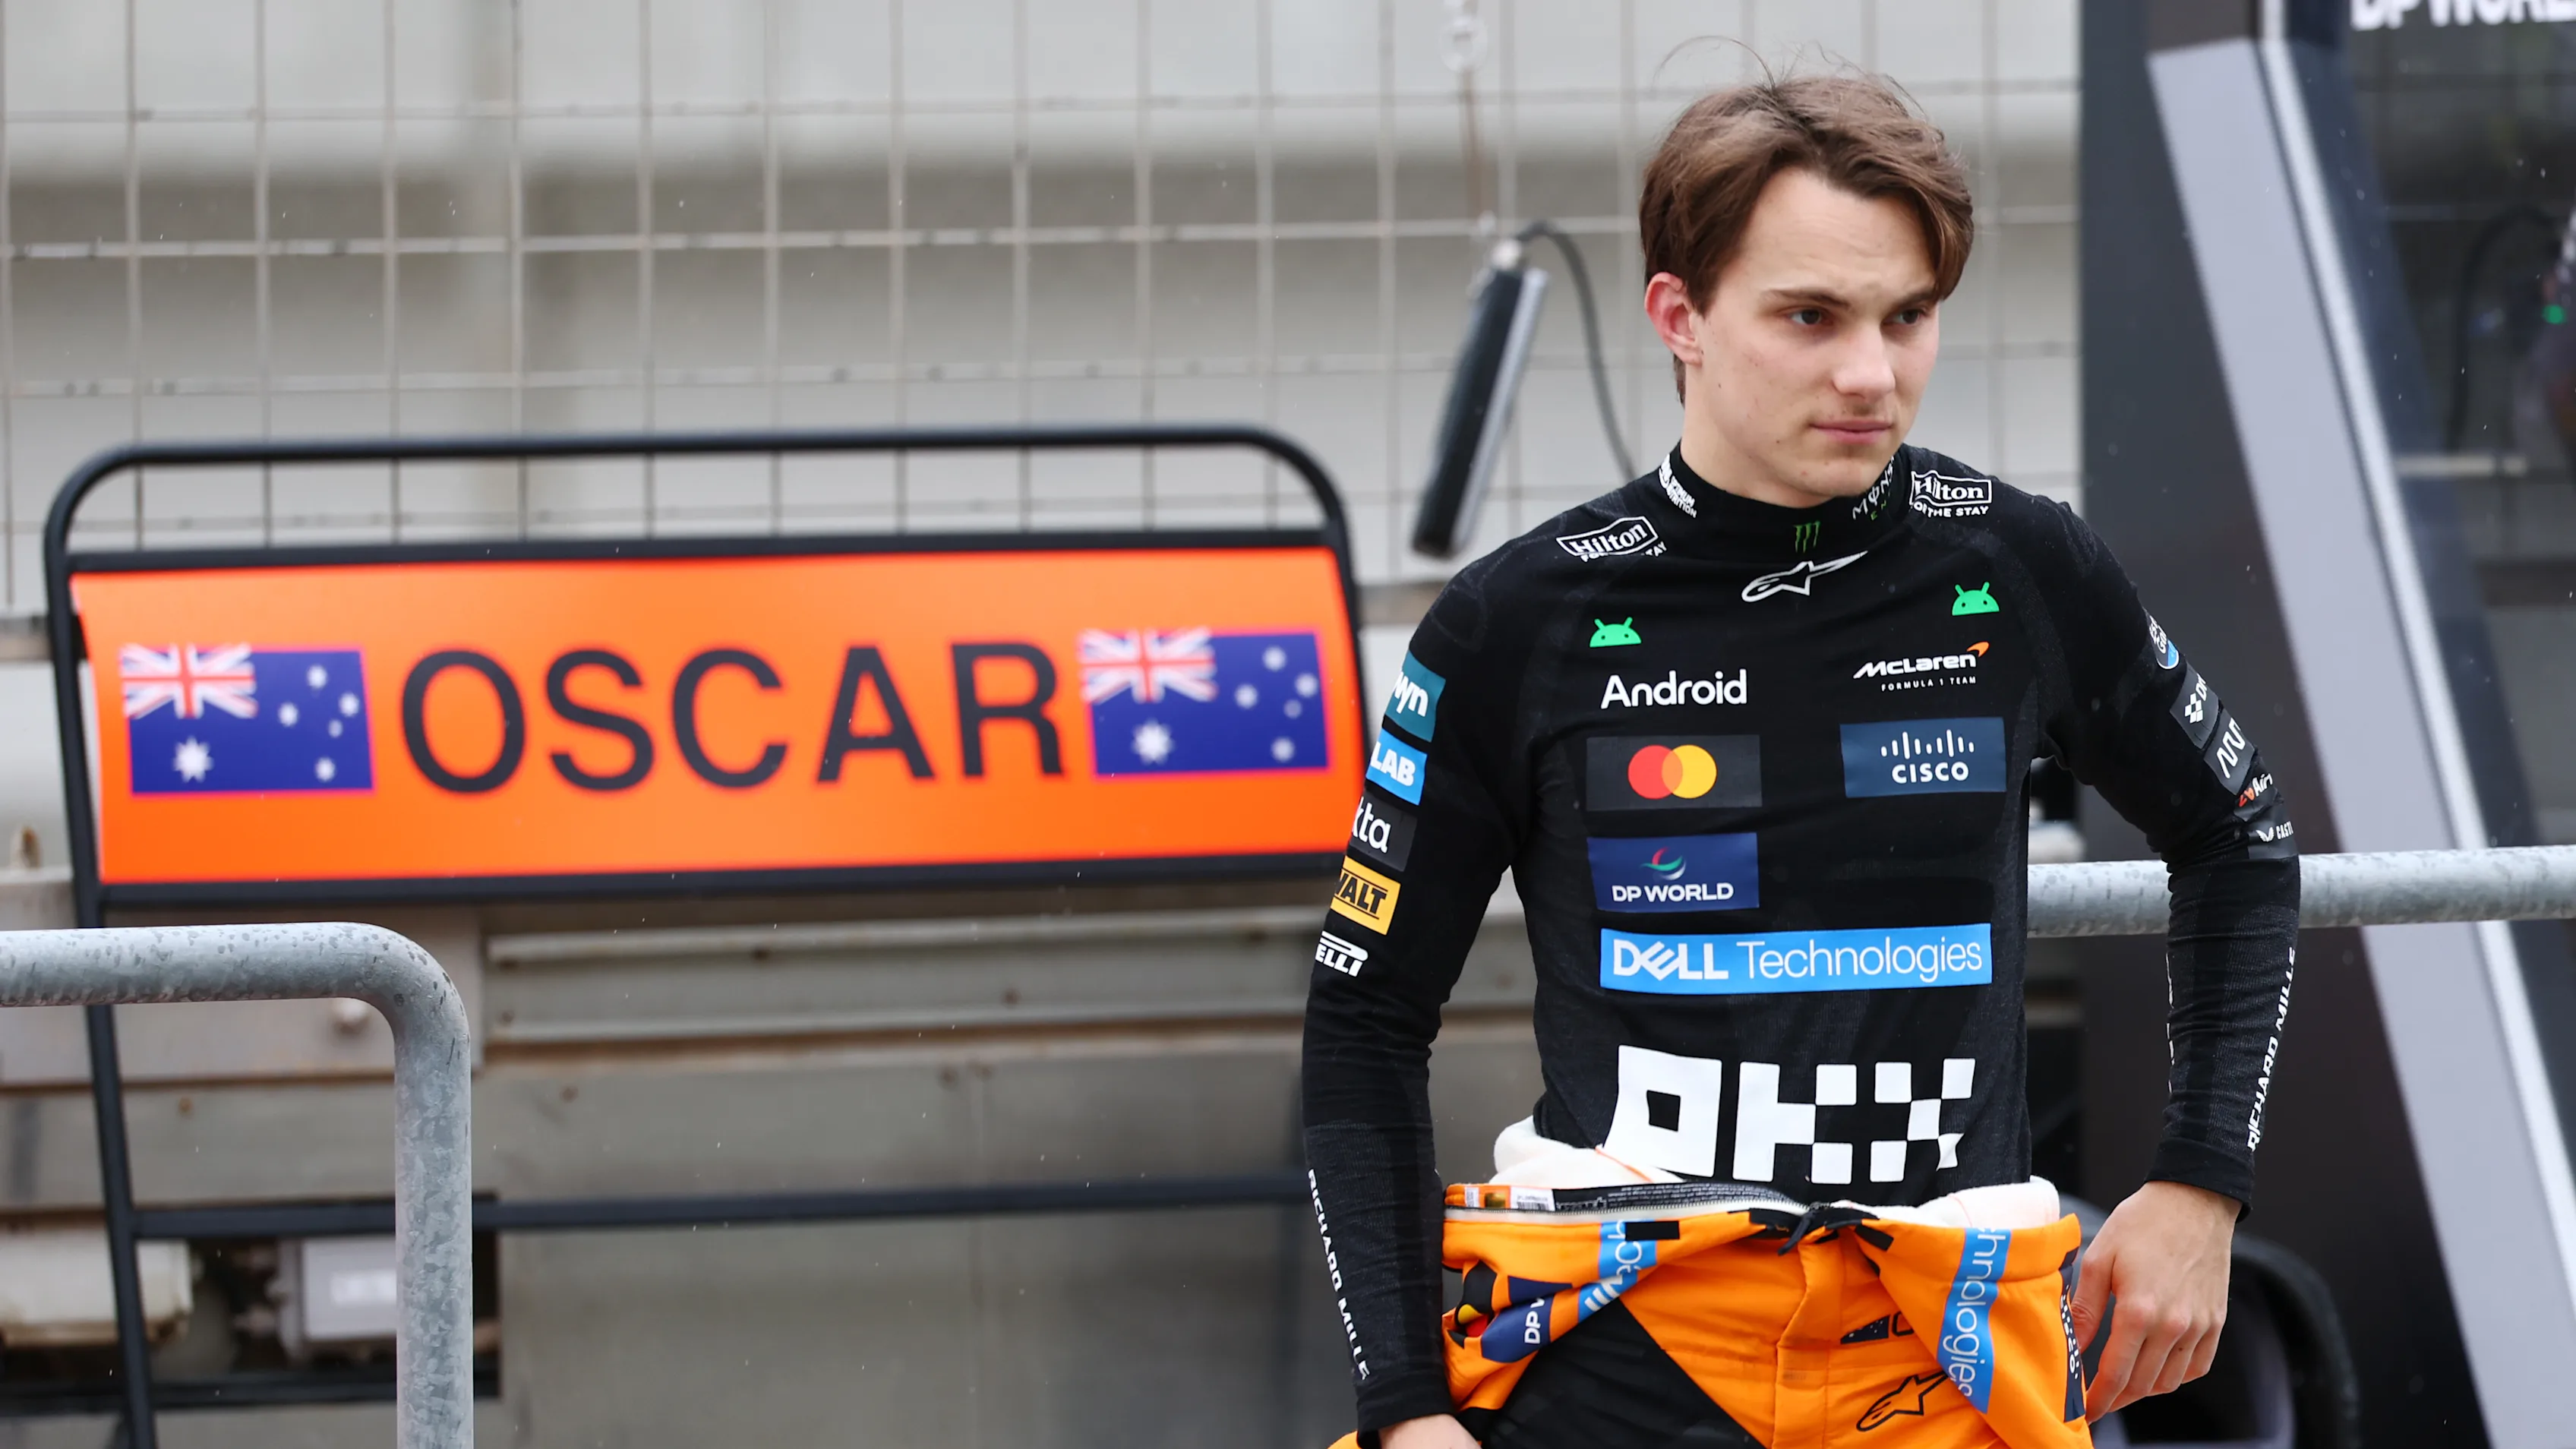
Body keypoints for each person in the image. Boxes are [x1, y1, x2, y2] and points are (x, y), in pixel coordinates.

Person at [1301, 73, 2298, 1449]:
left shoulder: (2021, 566)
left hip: (1951, 1353)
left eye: (1910, 317)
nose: (1871, 374)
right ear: (1680, 318)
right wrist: (1406, 1407)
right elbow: (1362, 1020)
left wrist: (2199, 1184)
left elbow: (2240, 835)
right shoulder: (1513, 622)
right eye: (1810, 318)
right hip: (1628, 1332)